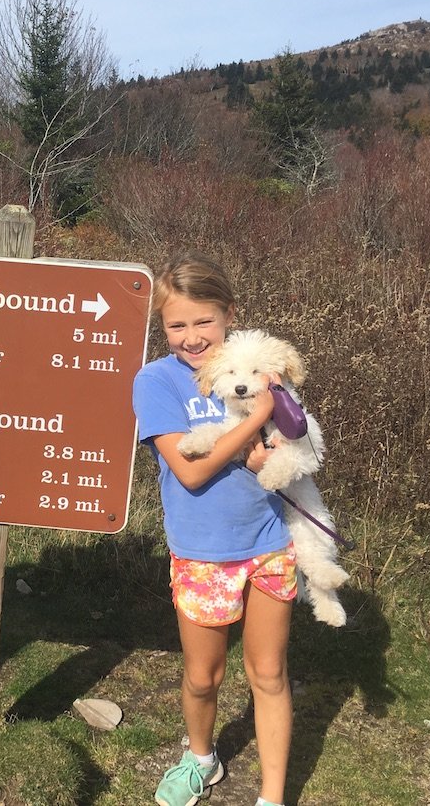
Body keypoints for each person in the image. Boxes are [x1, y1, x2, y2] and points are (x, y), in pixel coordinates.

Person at [132, 252, 294, 806]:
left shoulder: (260, 369)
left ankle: (272, 797)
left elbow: (291, 449)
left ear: (229, 314)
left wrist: (270, 429)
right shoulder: (156, 382)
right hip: (201, 551)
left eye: (204, 321)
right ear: (162, 327)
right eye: (177, 325)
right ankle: (201, 759)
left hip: (270, 543)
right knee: (204, 676)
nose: (192, 336)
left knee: (268, 674)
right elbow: (191, 469)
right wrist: (254, 419)